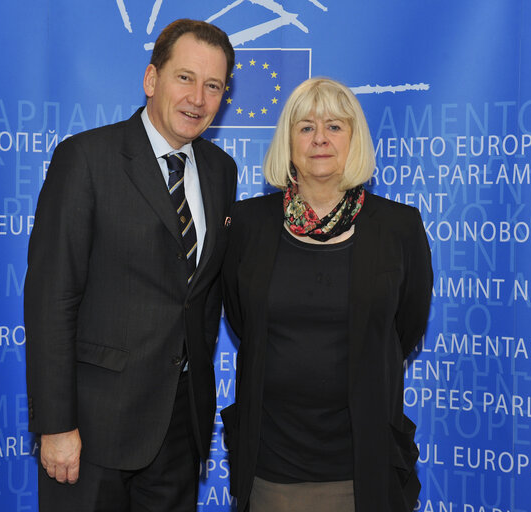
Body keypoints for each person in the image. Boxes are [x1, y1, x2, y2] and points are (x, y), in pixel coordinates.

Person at [24, 19, 236, 512]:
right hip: (91, 431)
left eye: (213, 86)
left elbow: (199, 298)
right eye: (185, 78)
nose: (198, 99)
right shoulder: (87, 159)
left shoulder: (222, 171)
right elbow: (52, 298)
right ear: (151, 79)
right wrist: (56, 425)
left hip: (180, 430)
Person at [221, 77, 432, 512]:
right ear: (288, 141)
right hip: (270, 465)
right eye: (306, 127)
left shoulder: (399, 227)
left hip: (363, 467)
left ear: (355, 139)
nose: (320, 138)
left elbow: (401, 331)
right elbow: (243, 320)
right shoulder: (247, 223)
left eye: (335, 126)